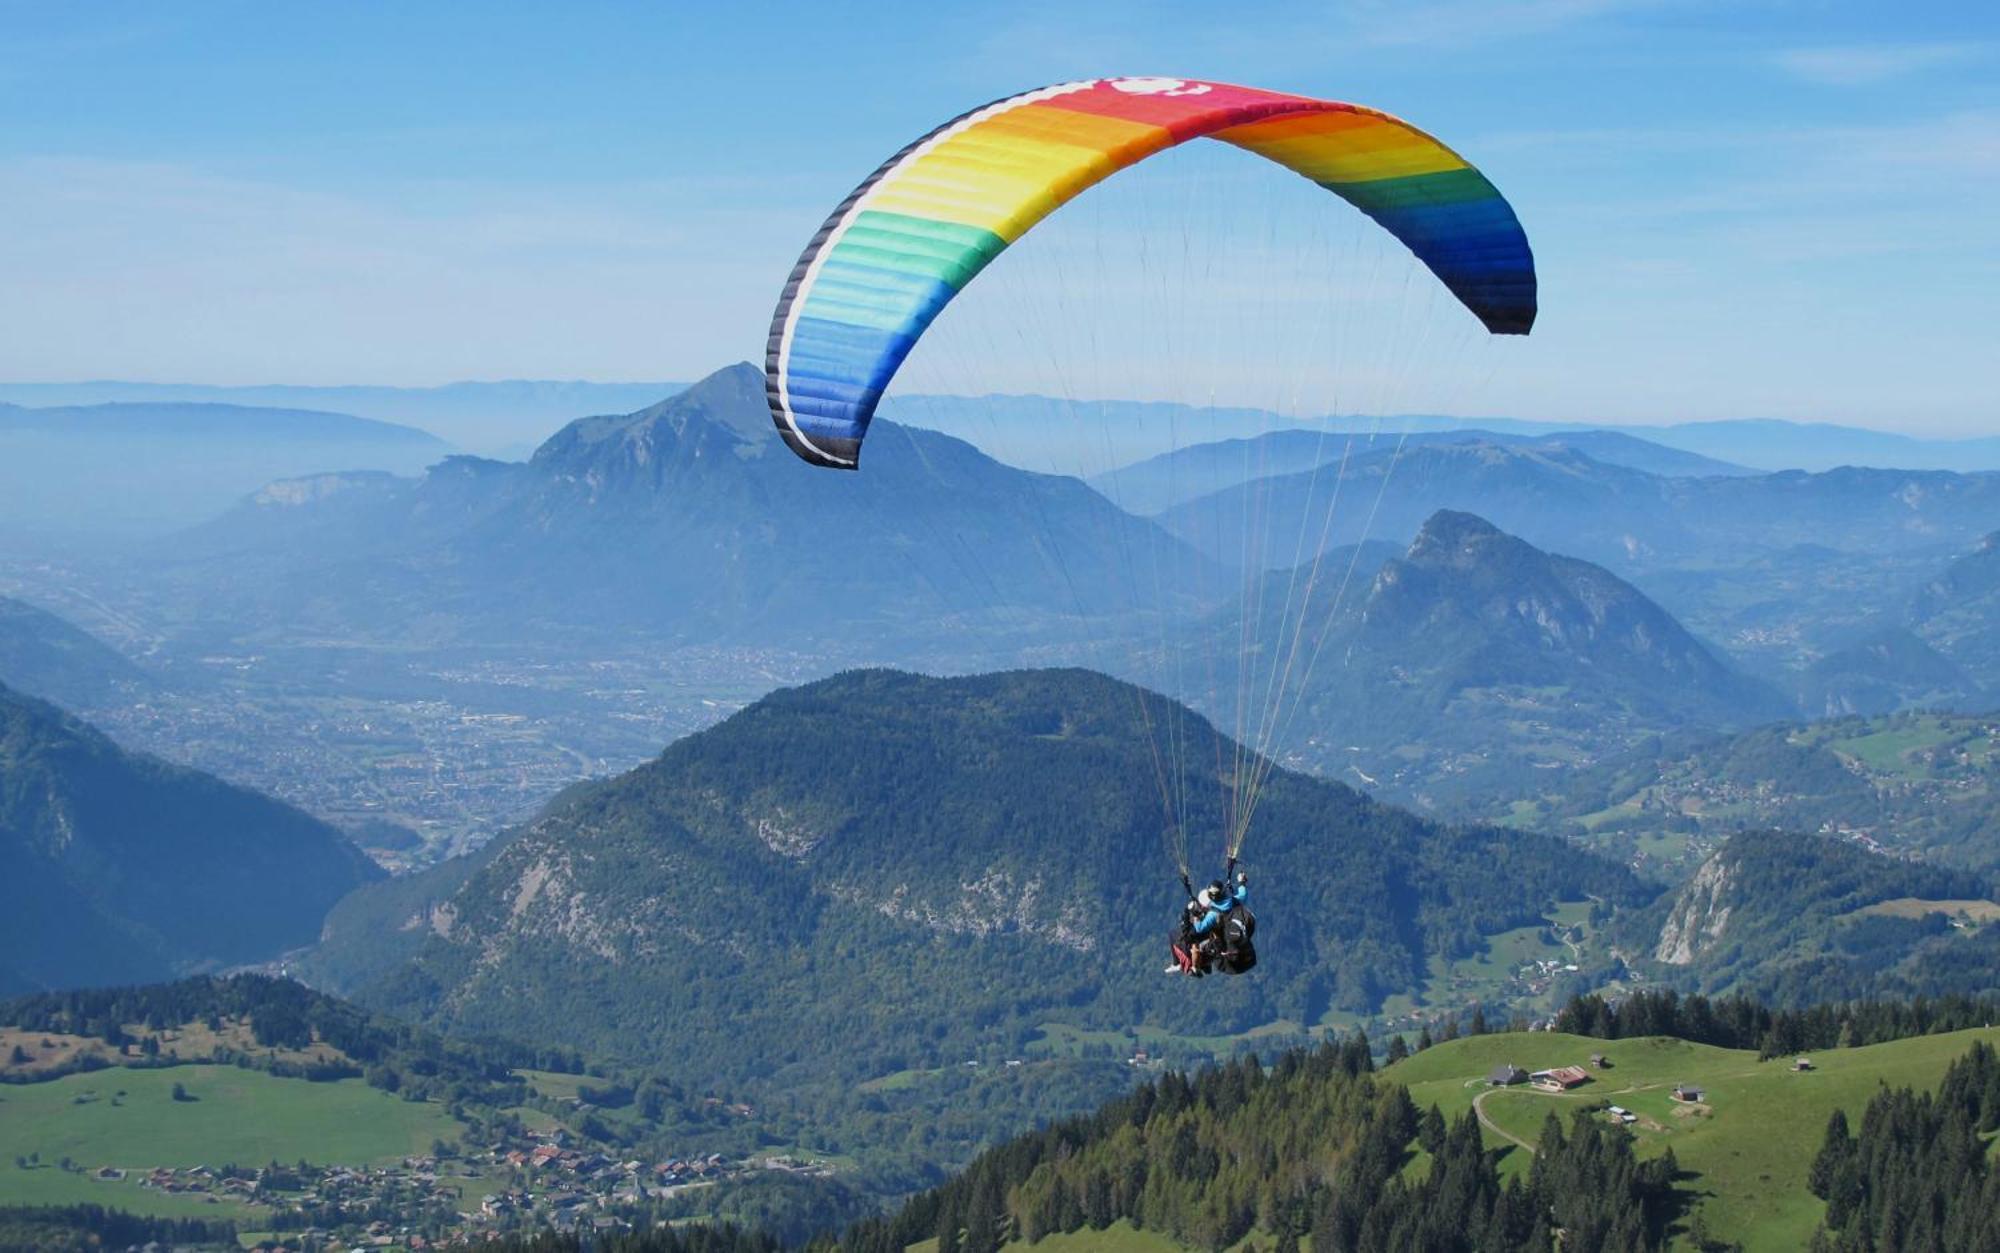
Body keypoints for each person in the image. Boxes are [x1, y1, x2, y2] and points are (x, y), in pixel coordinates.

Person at [1167, 868, 1252, 976]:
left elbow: (1195, 931)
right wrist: (1242, 882)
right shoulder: (1232, 901)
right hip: (1223, 940)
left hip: (1214, 942)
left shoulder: (1213, 914)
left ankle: (1183, 965)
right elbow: (1243, 895)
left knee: (1174, 935)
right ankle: (1204, 965)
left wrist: (1188, 913)